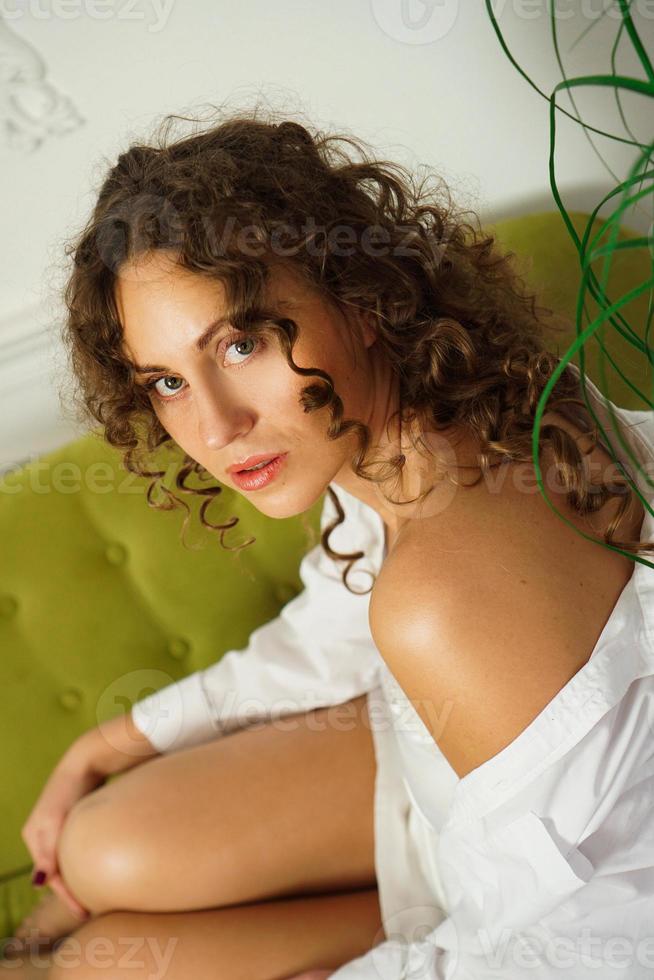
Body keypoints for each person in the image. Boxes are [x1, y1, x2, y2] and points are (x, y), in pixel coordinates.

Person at [5, 110, 653, 979]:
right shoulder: (462, 422)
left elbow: (583, 939)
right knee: (96, 852)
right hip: (458, 813)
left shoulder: (440, 598)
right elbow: (330, 629)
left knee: (96, 966)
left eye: (242, 342)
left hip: (537, 904)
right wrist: (113, 741)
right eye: (166, 381)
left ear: (361, 297)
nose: (217, 427)